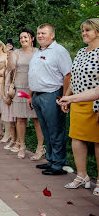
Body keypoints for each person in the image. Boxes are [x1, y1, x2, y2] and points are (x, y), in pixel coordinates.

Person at [57, 18, 99, 194]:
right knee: (76, 139)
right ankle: (82, 176)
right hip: (78, 102)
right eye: (82, 30)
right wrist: (66, 98)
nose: (84, 33)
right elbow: (74, 79)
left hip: (96, 103)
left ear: (97, 32)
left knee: (98, 142)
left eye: (87, 30)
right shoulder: (81, 52)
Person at [28, 23, 72, 175]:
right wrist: (30, 95)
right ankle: (51, 159)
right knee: (46, 131)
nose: (40, 35)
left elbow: (68, 75)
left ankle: (59, 164)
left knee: (56, 130)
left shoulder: (59, 51)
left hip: (52, 95)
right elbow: (34, 74)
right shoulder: (37, 52)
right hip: (37, 96)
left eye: (43, 33)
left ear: (52, 35)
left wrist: (65, 97)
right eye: (39, 33)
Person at [7, 29, 44, 159]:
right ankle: (21, 145)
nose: (23, 39)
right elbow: (11, 68)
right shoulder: (16, 52)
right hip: (20, 89)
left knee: (36, 118)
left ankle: (40, 147)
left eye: (26, 37)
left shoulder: (38, 52)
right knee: (20, 118)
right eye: (21, 37)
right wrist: (9, 56)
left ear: (32, 38)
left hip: (34, 87)